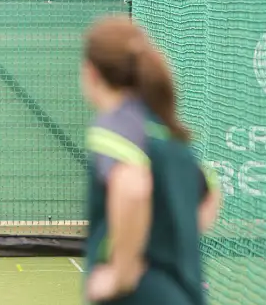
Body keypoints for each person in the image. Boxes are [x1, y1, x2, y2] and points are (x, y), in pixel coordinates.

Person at [79, 16, 223, 304]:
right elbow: (209, 199)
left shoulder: (115, 127)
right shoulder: (165, 131)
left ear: (91, 72)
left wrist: (122, 273)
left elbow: (132, 187)